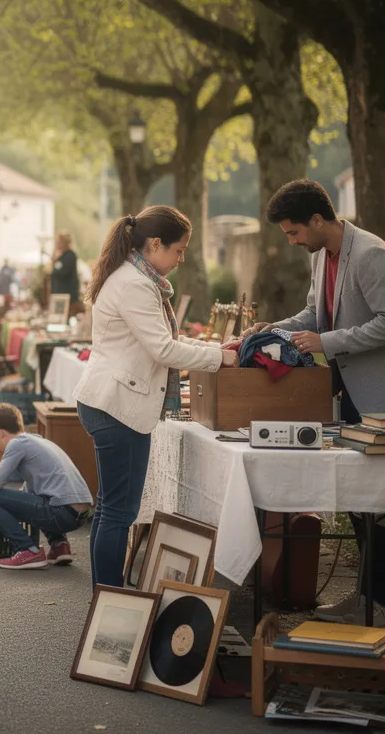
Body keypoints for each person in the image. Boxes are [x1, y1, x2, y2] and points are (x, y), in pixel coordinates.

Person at [243, 179, 385, 627]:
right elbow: (315, 315)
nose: (292, 241)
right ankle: (367, 598)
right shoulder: (322, 256)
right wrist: (276, 329)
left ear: (317, 219)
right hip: (354, 391)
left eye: (294, 232)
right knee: (360, 498)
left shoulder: (371, 255)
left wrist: (326, 342)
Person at [72, 206, 239, 589]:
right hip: (117, 407)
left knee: (110, 509)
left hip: (110, 401)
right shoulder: (135, 284)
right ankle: (111, 599)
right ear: (155, 244)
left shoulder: (134, 277)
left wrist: (216, 348)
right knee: (119, 513)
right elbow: (164, 350)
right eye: (178, 250)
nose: (181, 259)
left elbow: (165, 342)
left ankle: (106, 596)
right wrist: (220, 358)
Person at [0, 403, 92, 570]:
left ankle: (27, 550)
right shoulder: (38, 440)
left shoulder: (16, 444)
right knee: (39, 497)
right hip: (79, 514)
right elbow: (31, 491)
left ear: (0, 433)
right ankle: (59, 545)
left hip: (61, 512)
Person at [50, 232, 83, 317]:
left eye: (58, 241)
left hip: (66, 297)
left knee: (64, 318)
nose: (56, 244)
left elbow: (59, 272)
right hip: (58, 296)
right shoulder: (62, 257)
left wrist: (56, 260)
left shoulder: (70, 256)